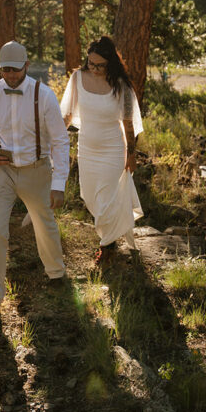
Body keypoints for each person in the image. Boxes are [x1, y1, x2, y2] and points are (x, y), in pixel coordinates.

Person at [0, 40, 69, 322]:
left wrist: (59, 183)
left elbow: (61, 141)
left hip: (36, 170)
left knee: (44, 223)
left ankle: (56, 274)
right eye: (5, 70)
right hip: (2, 171)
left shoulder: (45, 96)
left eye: (15, 70)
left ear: (26, 66)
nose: (11, 76)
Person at [60, 35, 143, 265]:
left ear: (110, 63)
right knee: (90, 198)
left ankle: (107, 247)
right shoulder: (77, 78)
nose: (94, 69)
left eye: (100, 65)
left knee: (107, 200)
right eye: (91, 63)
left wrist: (131, 154)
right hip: (87, 149)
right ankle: (109, 239)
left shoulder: (121, 85)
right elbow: (67, 115)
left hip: (113, 151)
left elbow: (128, 123)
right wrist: (55, 139)